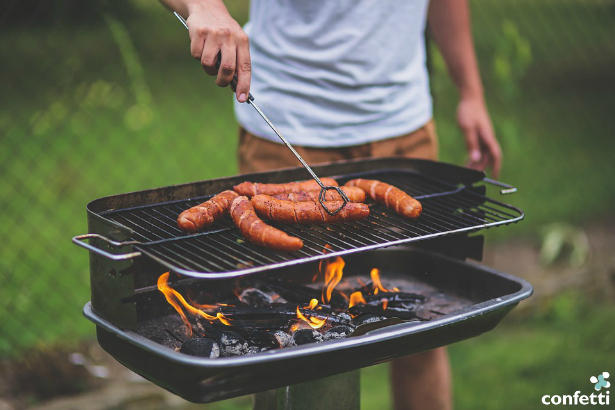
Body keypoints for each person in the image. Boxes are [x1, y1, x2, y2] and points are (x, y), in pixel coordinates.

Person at [160, 1, 502, 408]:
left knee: (421, 329)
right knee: (287, 339)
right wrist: (203, 7)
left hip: (403, 126)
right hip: (287, 126)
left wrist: (471, 92)